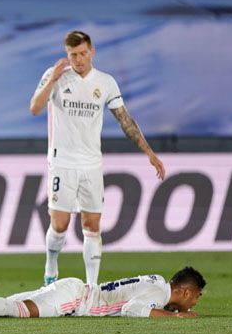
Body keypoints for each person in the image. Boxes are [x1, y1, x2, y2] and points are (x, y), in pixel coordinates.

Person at [29, 31, 166, 286]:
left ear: (92, 51)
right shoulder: (56, 75)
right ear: (67, 54)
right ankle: (50, 269)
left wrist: (148, 152)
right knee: (60, 225)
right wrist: (53, 80)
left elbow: (125, 119)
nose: (78, 60)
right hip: (62, 161)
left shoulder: (105, 82)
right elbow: (35, 108)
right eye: (73, 55)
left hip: (92, 163)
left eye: (82, 53)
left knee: (92, 225)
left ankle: (91, 286)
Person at [0, 267, 205, 319]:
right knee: (22, 311)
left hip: (73, 288)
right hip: (77, 298)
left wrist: (171, 310)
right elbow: (132, 310)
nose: (195, 302)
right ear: (184, 291)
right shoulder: (158, 291)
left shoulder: (158, 285)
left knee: (4, 302)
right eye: (195, 296)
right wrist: (178, 318)